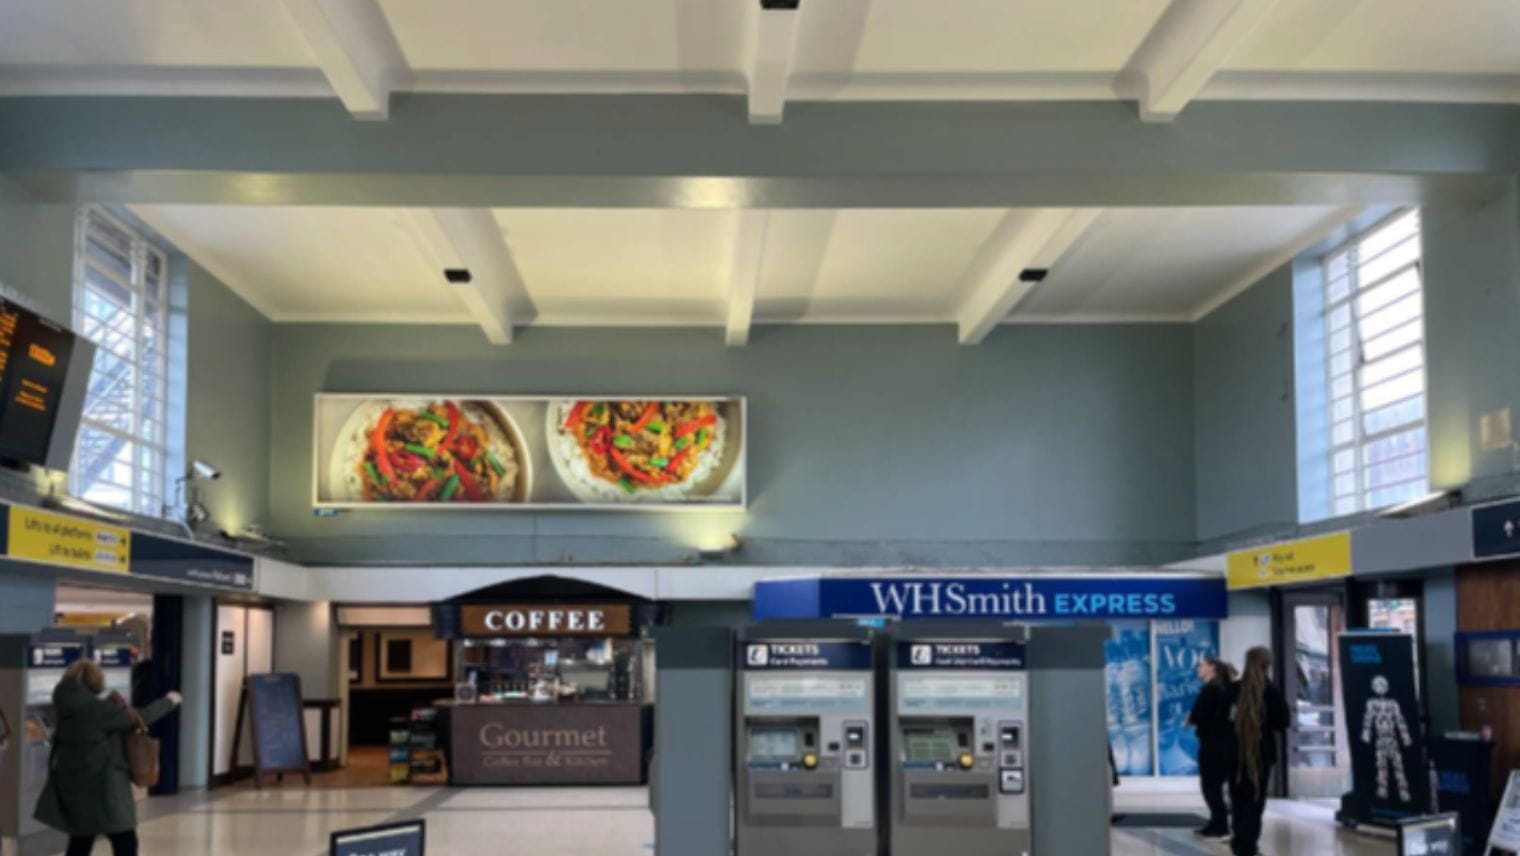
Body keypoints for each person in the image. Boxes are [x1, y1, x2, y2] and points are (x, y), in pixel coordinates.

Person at [33, 659, 182, 856]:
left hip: (73, 783)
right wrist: (169, 701)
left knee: (80, 840)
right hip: (104, 785)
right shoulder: (98, 710)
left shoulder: (63, 706)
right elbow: (140, 718)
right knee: (124, 839)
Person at [1224, 646, 1289, 856]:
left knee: (1237, 798)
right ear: (1267, 665)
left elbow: (1220, 722)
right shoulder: (1271, 691)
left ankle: (1238, 841)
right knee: (1254, 801)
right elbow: (1283, 722)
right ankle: (1247, 845)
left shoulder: (1233, 690)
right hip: (1261, 755)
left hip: (1234, 753)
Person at [1187, 656, 1237, 839]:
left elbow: (1198, 714)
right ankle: (1218, 822)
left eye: (1201, 665)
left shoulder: (1212, 689)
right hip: (1220, 743)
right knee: (1214, 786)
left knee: (1211, 786)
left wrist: (1191, 719)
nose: (1198, 669)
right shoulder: (1221, 689)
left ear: (1212, 668)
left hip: (1213, 744)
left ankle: (1219, 824)